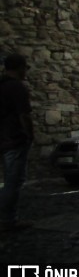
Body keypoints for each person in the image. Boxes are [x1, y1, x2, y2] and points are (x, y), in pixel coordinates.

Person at [0, 53, 34, 231]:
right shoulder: (16, 88)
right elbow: (24, 115)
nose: (26, 71)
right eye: (26, 67)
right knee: (14, 181)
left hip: (3, 139)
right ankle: (7, 220)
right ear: (20, 68)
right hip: (14, 139)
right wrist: (30, 135)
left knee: (8, 180)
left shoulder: (2, 85)